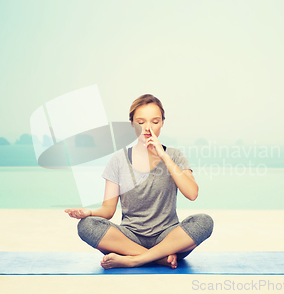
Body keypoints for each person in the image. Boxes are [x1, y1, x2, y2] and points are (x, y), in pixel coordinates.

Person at [65, 94, 214, 269]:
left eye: (155, 122)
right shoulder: (118, 160)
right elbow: (108, 210)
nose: (147, 128)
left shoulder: (175, 156)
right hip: (129, 237)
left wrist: (163, 155)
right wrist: (88, 213)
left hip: (168, 238)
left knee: (204, 222)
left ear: (162, 123)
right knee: (86, 226)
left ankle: (135, 259)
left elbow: (192, 193)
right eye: (141, 122)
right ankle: (158, 258)